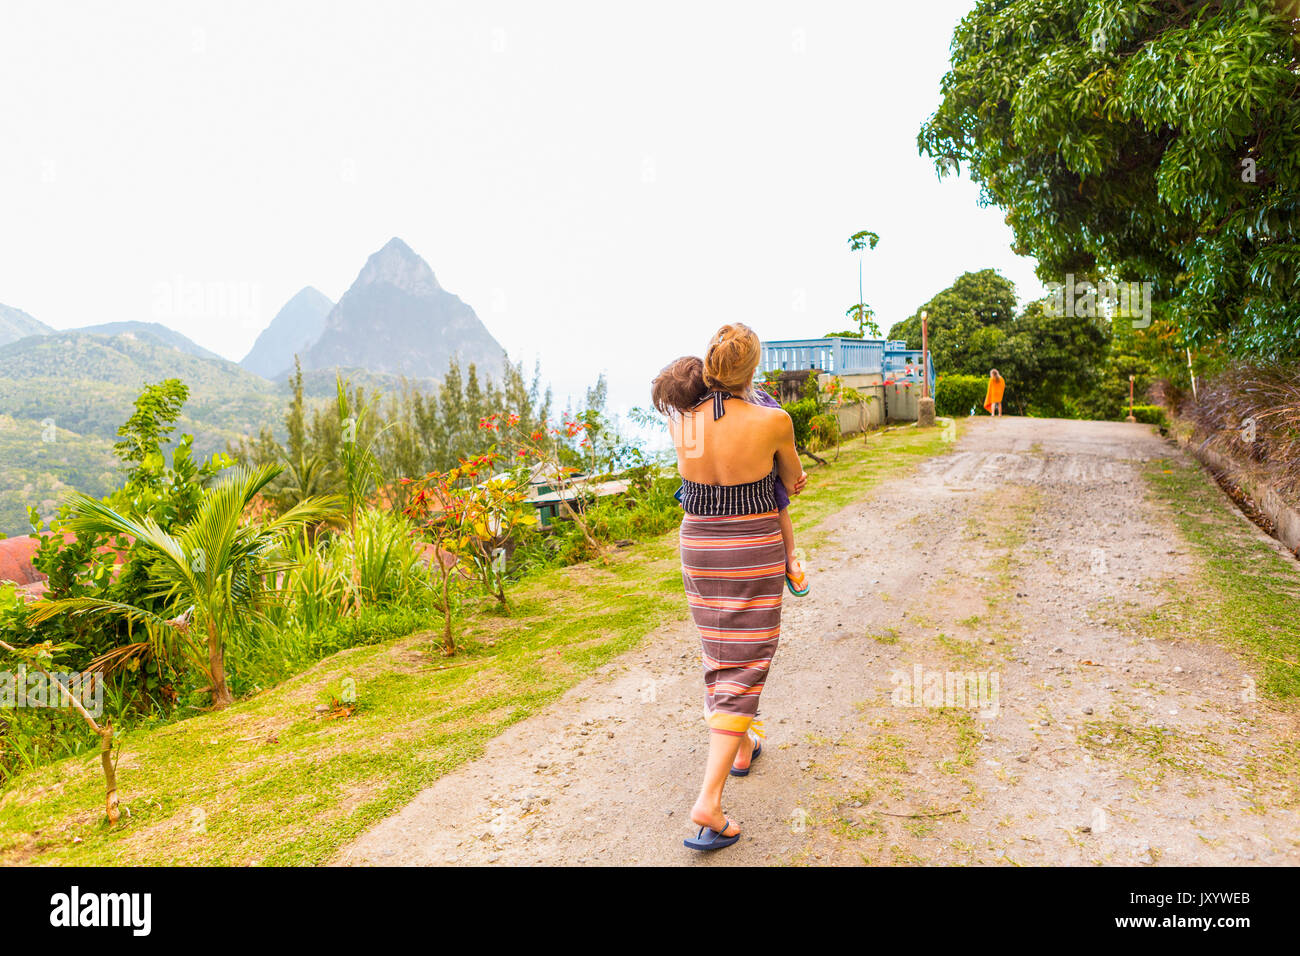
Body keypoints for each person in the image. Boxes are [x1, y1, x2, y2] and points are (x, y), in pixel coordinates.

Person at [651, 323, 806, 852]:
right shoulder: (773, 420)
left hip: (698, 544)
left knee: (718, 650)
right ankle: (709, 801)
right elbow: (794, 479)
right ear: (752, 368)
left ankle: (740, 750)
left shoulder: (685, 421)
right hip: (750, 548)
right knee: (748, 659)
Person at [657, 355, 809, 595]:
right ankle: (792, 558)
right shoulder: (703, 416)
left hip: (703, 522)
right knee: (780, 506)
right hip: (751, 498)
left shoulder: (683, 421)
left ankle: (791, 557)